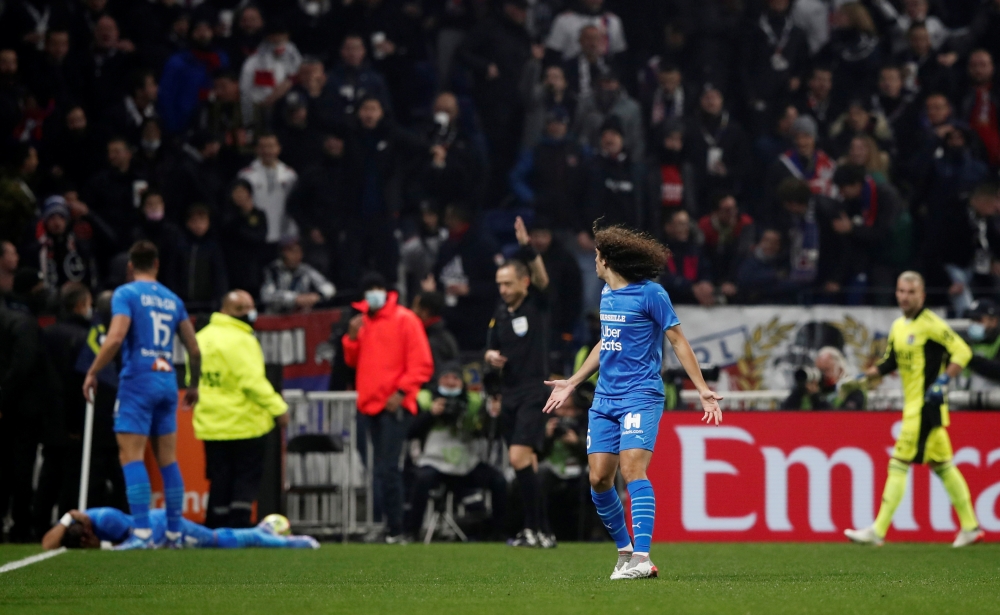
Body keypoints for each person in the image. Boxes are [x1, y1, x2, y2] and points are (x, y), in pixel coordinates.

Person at [543, 223, 723, 579]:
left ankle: (643, 556)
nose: (594, 261)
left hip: (641, 394)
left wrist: (700, 387)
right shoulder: (607, 294)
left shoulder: (651, 294)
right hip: (605, 398)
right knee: (598, 479)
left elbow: (678, 341)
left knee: (632, 469)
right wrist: (575, 380)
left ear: (608, 259)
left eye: (596, 255)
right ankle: (625, 553)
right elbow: (605, 342)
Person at [845, 272, 985, 548]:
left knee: (898, 463)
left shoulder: (931, 324)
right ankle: (970, 527)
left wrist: (943, 380)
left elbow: (963, 352)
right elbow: (889, 363)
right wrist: (860, 380)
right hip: (913, 407)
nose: (904, 296)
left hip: (925, 406)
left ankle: (878, 530)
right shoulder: (898, 326)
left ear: (921, 295)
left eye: (911, 292)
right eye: (900, 291)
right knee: (943, 466)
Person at [82, 240, 202, 550]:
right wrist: (193, 384)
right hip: (166, 381)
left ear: (131, 267)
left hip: (138, 380)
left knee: (131, 456)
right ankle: (174, 535)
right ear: (157, 265)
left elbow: (116, 337)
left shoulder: (126, 293)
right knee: (168, 460)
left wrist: (93, 371)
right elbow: (194, 348)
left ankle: (143, 534)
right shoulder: (172, 299)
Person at [341, 271, 434, 543]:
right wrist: (351, 338)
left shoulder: (405, 319)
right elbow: (352, 362)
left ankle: (397, 529)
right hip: (368, 405)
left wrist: (402, 392)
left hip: (394, 406)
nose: (374, 293)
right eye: (369, 289)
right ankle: (389, 526)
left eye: (378, 288)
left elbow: (421, 364)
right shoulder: (362, 323)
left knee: (388, 469)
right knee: (378, 470)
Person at [194, 290, 289, 529]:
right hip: (244, 422)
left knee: (219, 479)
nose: (248, 314)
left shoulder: (201, 337)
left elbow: (192, 378)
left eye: (249, 308)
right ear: (225, 310)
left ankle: (215, 527)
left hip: (211, 423)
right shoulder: (242, 339)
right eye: (241, 309)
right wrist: (278, 408)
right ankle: (238, 527)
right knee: (245, 479)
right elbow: (252, 382)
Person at [484, 216, 552, 548]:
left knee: (517, 458)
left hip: (532, 392)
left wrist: (527, 247)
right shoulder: (500, 313)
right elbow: (490, 348)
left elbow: (542, 277)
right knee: (527, 463)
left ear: (524, 283)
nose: (503, 289)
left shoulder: (536, 304)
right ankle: (539, 530)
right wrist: (489, 358)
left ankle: (537, 529)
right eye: (499, 284)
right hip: (508, 394)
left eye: (508, 283)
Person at [406, 362, 506, 541]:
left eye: (455, 378)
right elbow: (410, 432)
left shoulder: (474, 403)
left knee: (499, 481)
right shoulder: (426, 399)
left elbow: (491, 433)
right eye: (446, 378)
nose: (451, 382)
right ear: (438, 381)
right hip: (435, 462)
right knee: (421, 480)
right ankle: (412, 532)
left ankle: (497, 533)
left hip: (466, 463)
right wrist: (431, 414)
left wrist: (491, 415)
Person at [41, 508, 318, 550]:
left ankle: (283, 540)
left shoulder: (106, 519)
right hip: (156, 527)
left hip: (161, 525)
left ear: (89, 534)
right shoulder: (76, 526)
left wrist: (107, 548)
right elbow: (46, 545)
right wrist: (65, 518)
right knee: (217, 537)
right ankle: (262, 531)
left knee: (217, 539)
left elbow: (140, 539)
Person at [260, 238, 336, 314]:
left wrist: (317, 296)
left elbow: (329, 288)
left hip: (300, 319)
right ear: (283, 252)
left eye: (299, 251)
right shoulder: (272, 270)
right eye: (292, 251)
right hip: (275, 318)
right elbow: (266, 296)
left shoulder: (306, 270)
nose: (296, 255)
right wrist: (295, 298)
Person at [780, 346, 866, 410]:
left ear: (840, 371)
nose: (822, 374)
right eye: (819, 370)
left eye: (826, 370)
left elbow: (841, 421)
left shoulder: (852, 391)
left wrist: (816, 397)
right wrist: (799, 391)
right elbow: (783, 414)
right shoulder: (808, 391)